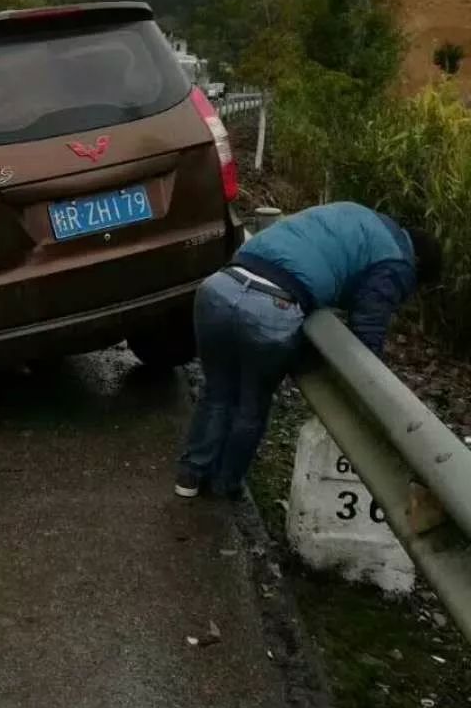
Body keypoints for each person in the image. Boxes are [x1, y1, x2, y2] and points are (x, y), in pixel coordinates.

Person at [176, 202, 442, 502]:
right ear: (418, 266)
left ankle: (190, 475)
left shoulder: (358, 218)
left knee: (217, 393)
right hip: (271, 309)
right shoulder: (398, 262)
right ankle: (225, 485)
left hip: (218, 289)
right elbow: (369, 324)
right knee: (251, 404)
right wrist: (365, 386)